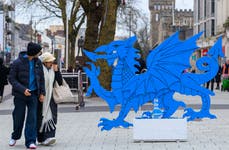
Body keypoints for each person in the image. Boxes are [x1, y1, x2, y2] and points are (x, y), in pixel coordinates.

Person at [8, 42, 45, 149]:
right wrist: (23, 89)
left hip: (33, 95)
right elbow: (12, 79)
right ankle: (15, 136)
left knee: (32, 118)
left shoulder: (38, 62)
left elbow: (41, 79)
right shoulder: (17, 63)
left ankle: (30, 141)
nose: (40, 53)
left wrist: (42, 93)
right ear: (34, 52)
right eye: (39, 51)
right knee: (18, 117)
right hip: (20, 95)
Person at [37, 52, 62, 146]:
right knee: (41, 117)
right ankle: (41, 138)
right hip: (41, 97)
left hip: (51, 98)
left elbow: (59, 82)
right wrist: (40, 94)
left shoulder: (53, 70)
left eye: (52, 61)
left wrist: (57, 71)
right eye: (49, 61)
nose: (51, 63)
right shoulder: (39, 70)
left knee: (52, 116)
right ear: (44, 62)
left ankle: (50, 136)